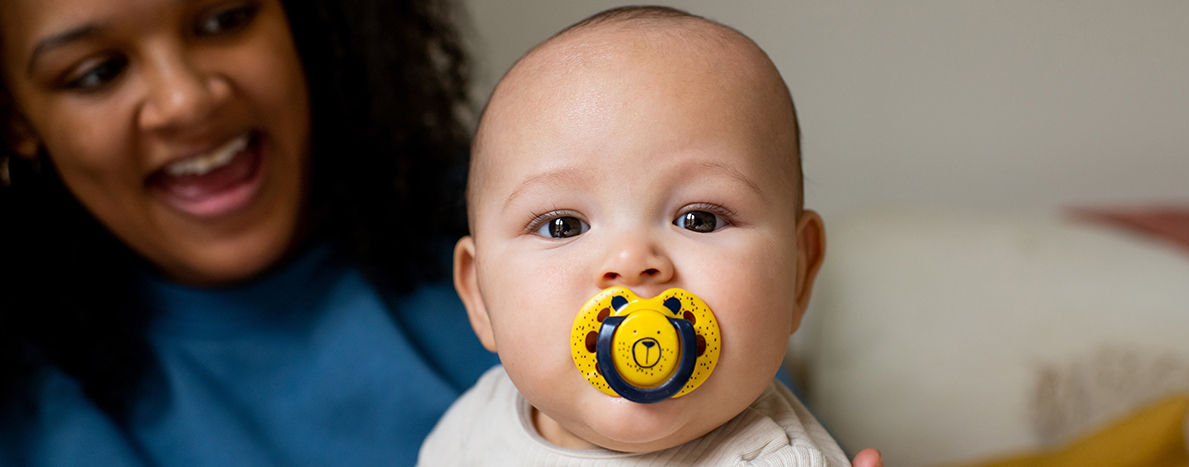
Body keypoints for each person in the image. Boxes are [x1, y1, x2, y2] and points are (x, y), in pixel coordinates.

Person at [0, 0, 499, 465]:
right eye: (98, 73)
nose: (186, 101)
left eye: (224, 21)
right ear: (13, 119)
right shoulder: (28, 425)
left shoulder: (528, 230)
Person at [419, 6, 856, 465]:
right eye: (563, 226)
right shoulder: (473, 427)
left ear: (799, 275)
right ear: (480, 295)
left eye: (699, 219)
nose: (631, 261)